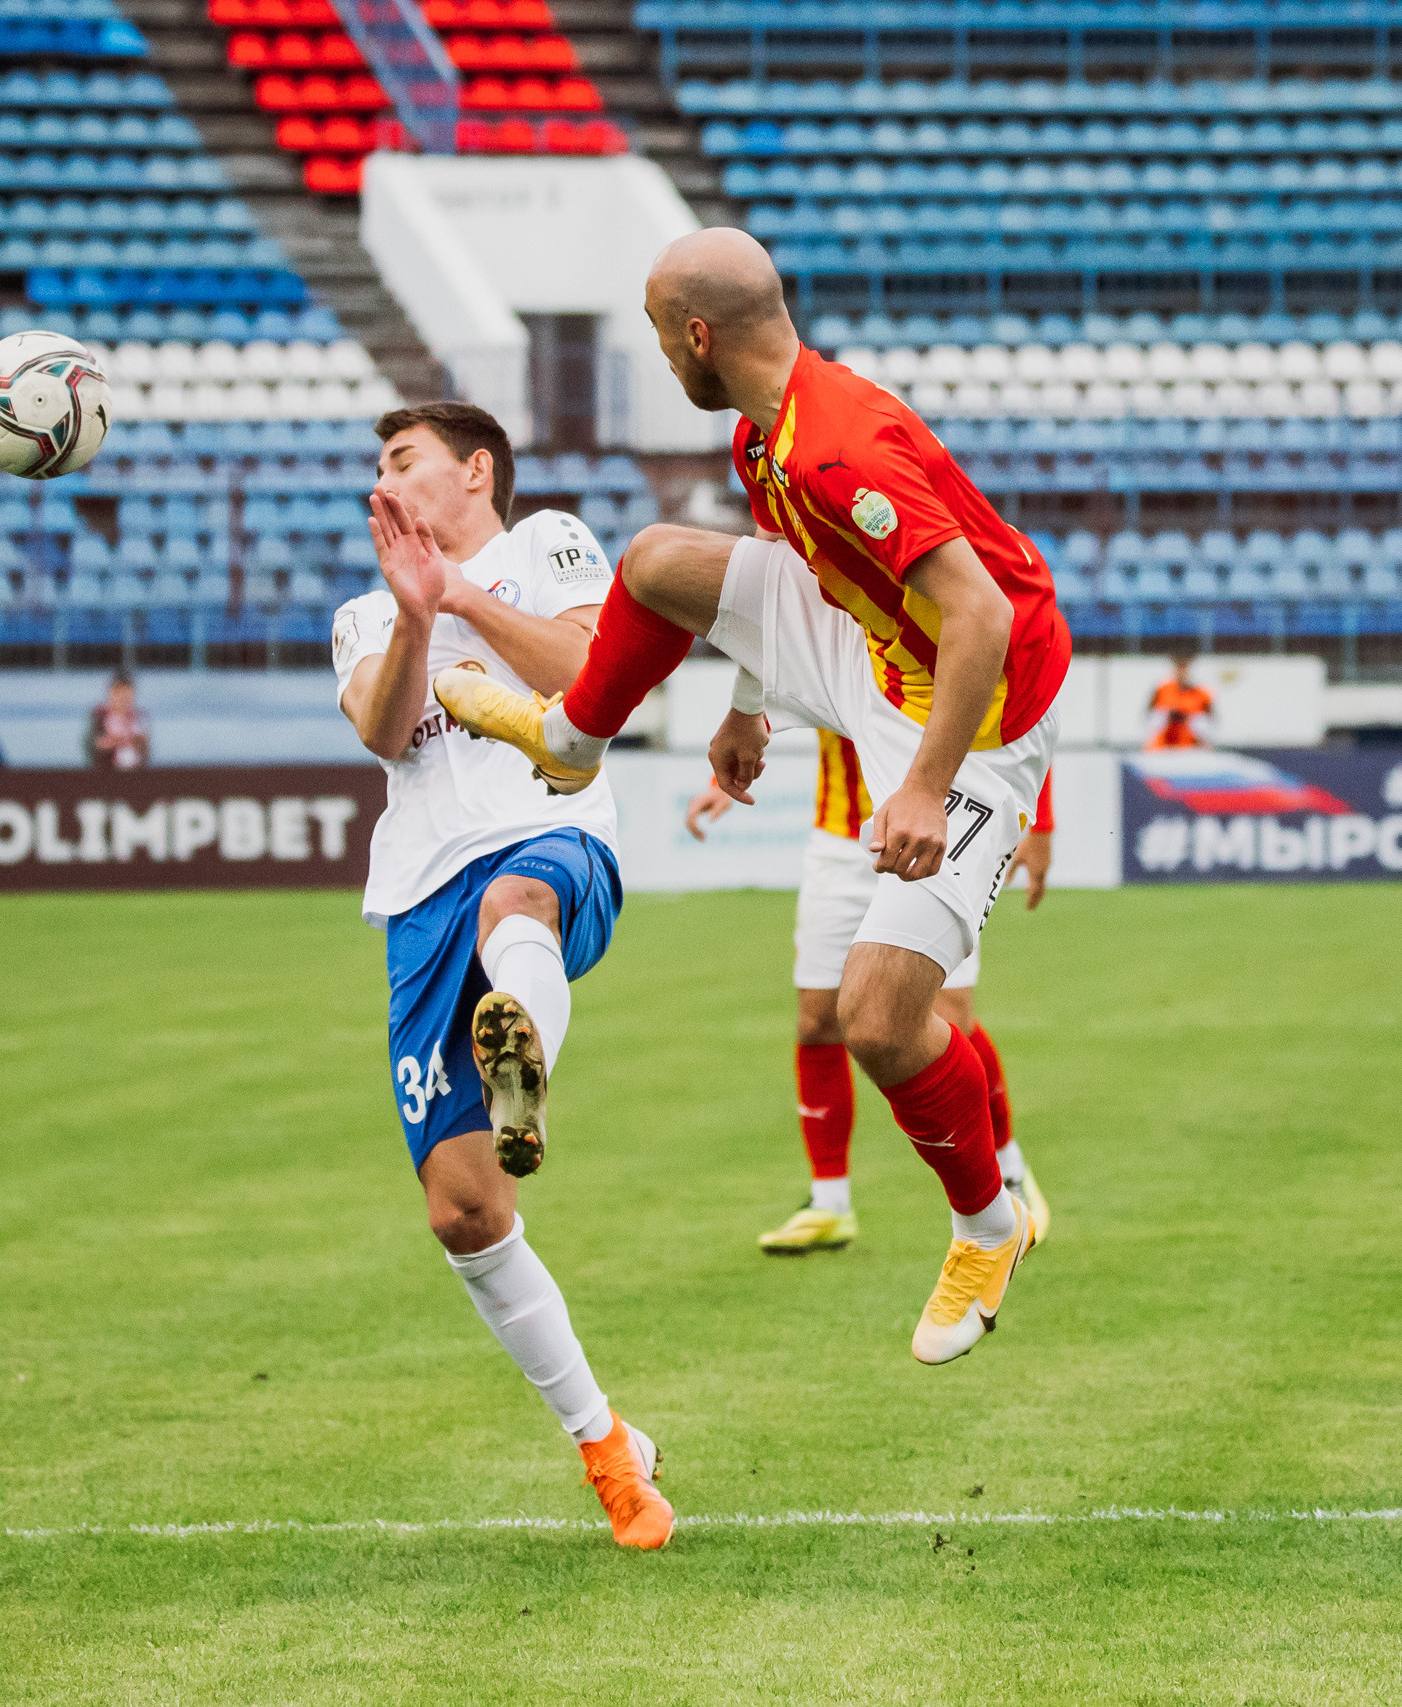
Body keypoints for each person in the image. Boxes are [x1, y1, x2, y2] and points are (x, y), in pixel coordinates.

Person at [435, 228, 1073, 1367]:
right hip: (875, 654)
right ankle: (571, 735)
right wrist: (750, 703)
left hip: (977, 720)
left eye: (652, 331)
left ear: (697, 336)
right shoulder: (761, 437)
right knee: (658, 565)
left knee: (878, 1017)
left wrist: (924, 789)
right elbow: (804, 578)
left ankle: (986, 1226)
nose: (655, 353)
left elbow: (984, 616)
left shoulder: (840, 448)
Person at [331, 400, 673, 1550]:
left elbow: (589, 672)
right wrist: (419, 618)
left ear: (476, 471)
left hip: (550, 837)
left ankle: (522, 1050)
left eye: (402, 459)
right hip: (417, 900)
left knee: (511, 906)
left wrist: (467, 595)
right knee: (464, 1210)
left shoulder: (548, 545)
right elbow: (384, 732)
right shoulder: (363, 615)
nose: (381, 480)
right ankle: (607, 1449)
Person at [685, 731, 1054, 1254]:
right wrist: (728, 776)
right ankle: (828, 1202)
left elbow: (1025, 708)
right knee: (817, 1020)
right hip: (839, 842)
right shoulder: (827, 647)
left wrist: (1041, 825)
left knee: (951, 1022)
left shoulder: (955, 646)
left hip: (942, 834)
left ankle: (1009, 1171)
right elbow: (770, 690)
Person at [1145, 643, 1216, 749]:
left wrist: (1188, 718)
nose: (1181, 672)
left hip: (1191, 749)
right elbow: (1149, 719)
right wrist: (1168, 716)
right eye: (1178, 667)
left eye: (1184, 667)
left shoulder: (1201, 693)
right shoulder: (1161, 690)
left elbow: (1210, 723)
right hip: (1163, 748)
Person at [88, 670, 151, 770]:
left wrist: (135, 741)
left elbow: (145, 747)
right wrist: (116, 741)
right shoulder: (100, 714)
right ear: (111, 693)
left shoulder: (140, 715)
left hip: (135, 772)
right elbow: (95, 744)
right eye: (119, 693)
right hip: (107, 772)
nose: (123, 699)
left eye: (127, 694)